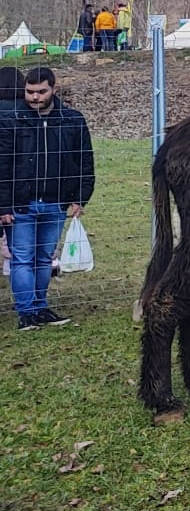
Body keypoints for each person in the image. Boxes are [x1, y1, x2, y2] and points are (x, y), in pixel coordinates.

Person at [3, 65, 93, 329]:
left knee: (44, 257)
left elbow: (84, 162)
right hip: (21, 203)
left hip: (56, 201)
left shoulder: (72, 120)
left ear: (54, 89)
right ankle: (26, 312)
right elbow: (3, 165)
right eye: (30, 92)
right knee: (21, 257)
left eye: (41, 91)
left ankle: (40, 307)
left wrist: (80, 197)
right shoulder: (11, 120)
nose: (34, 97)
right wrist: (3, 205)